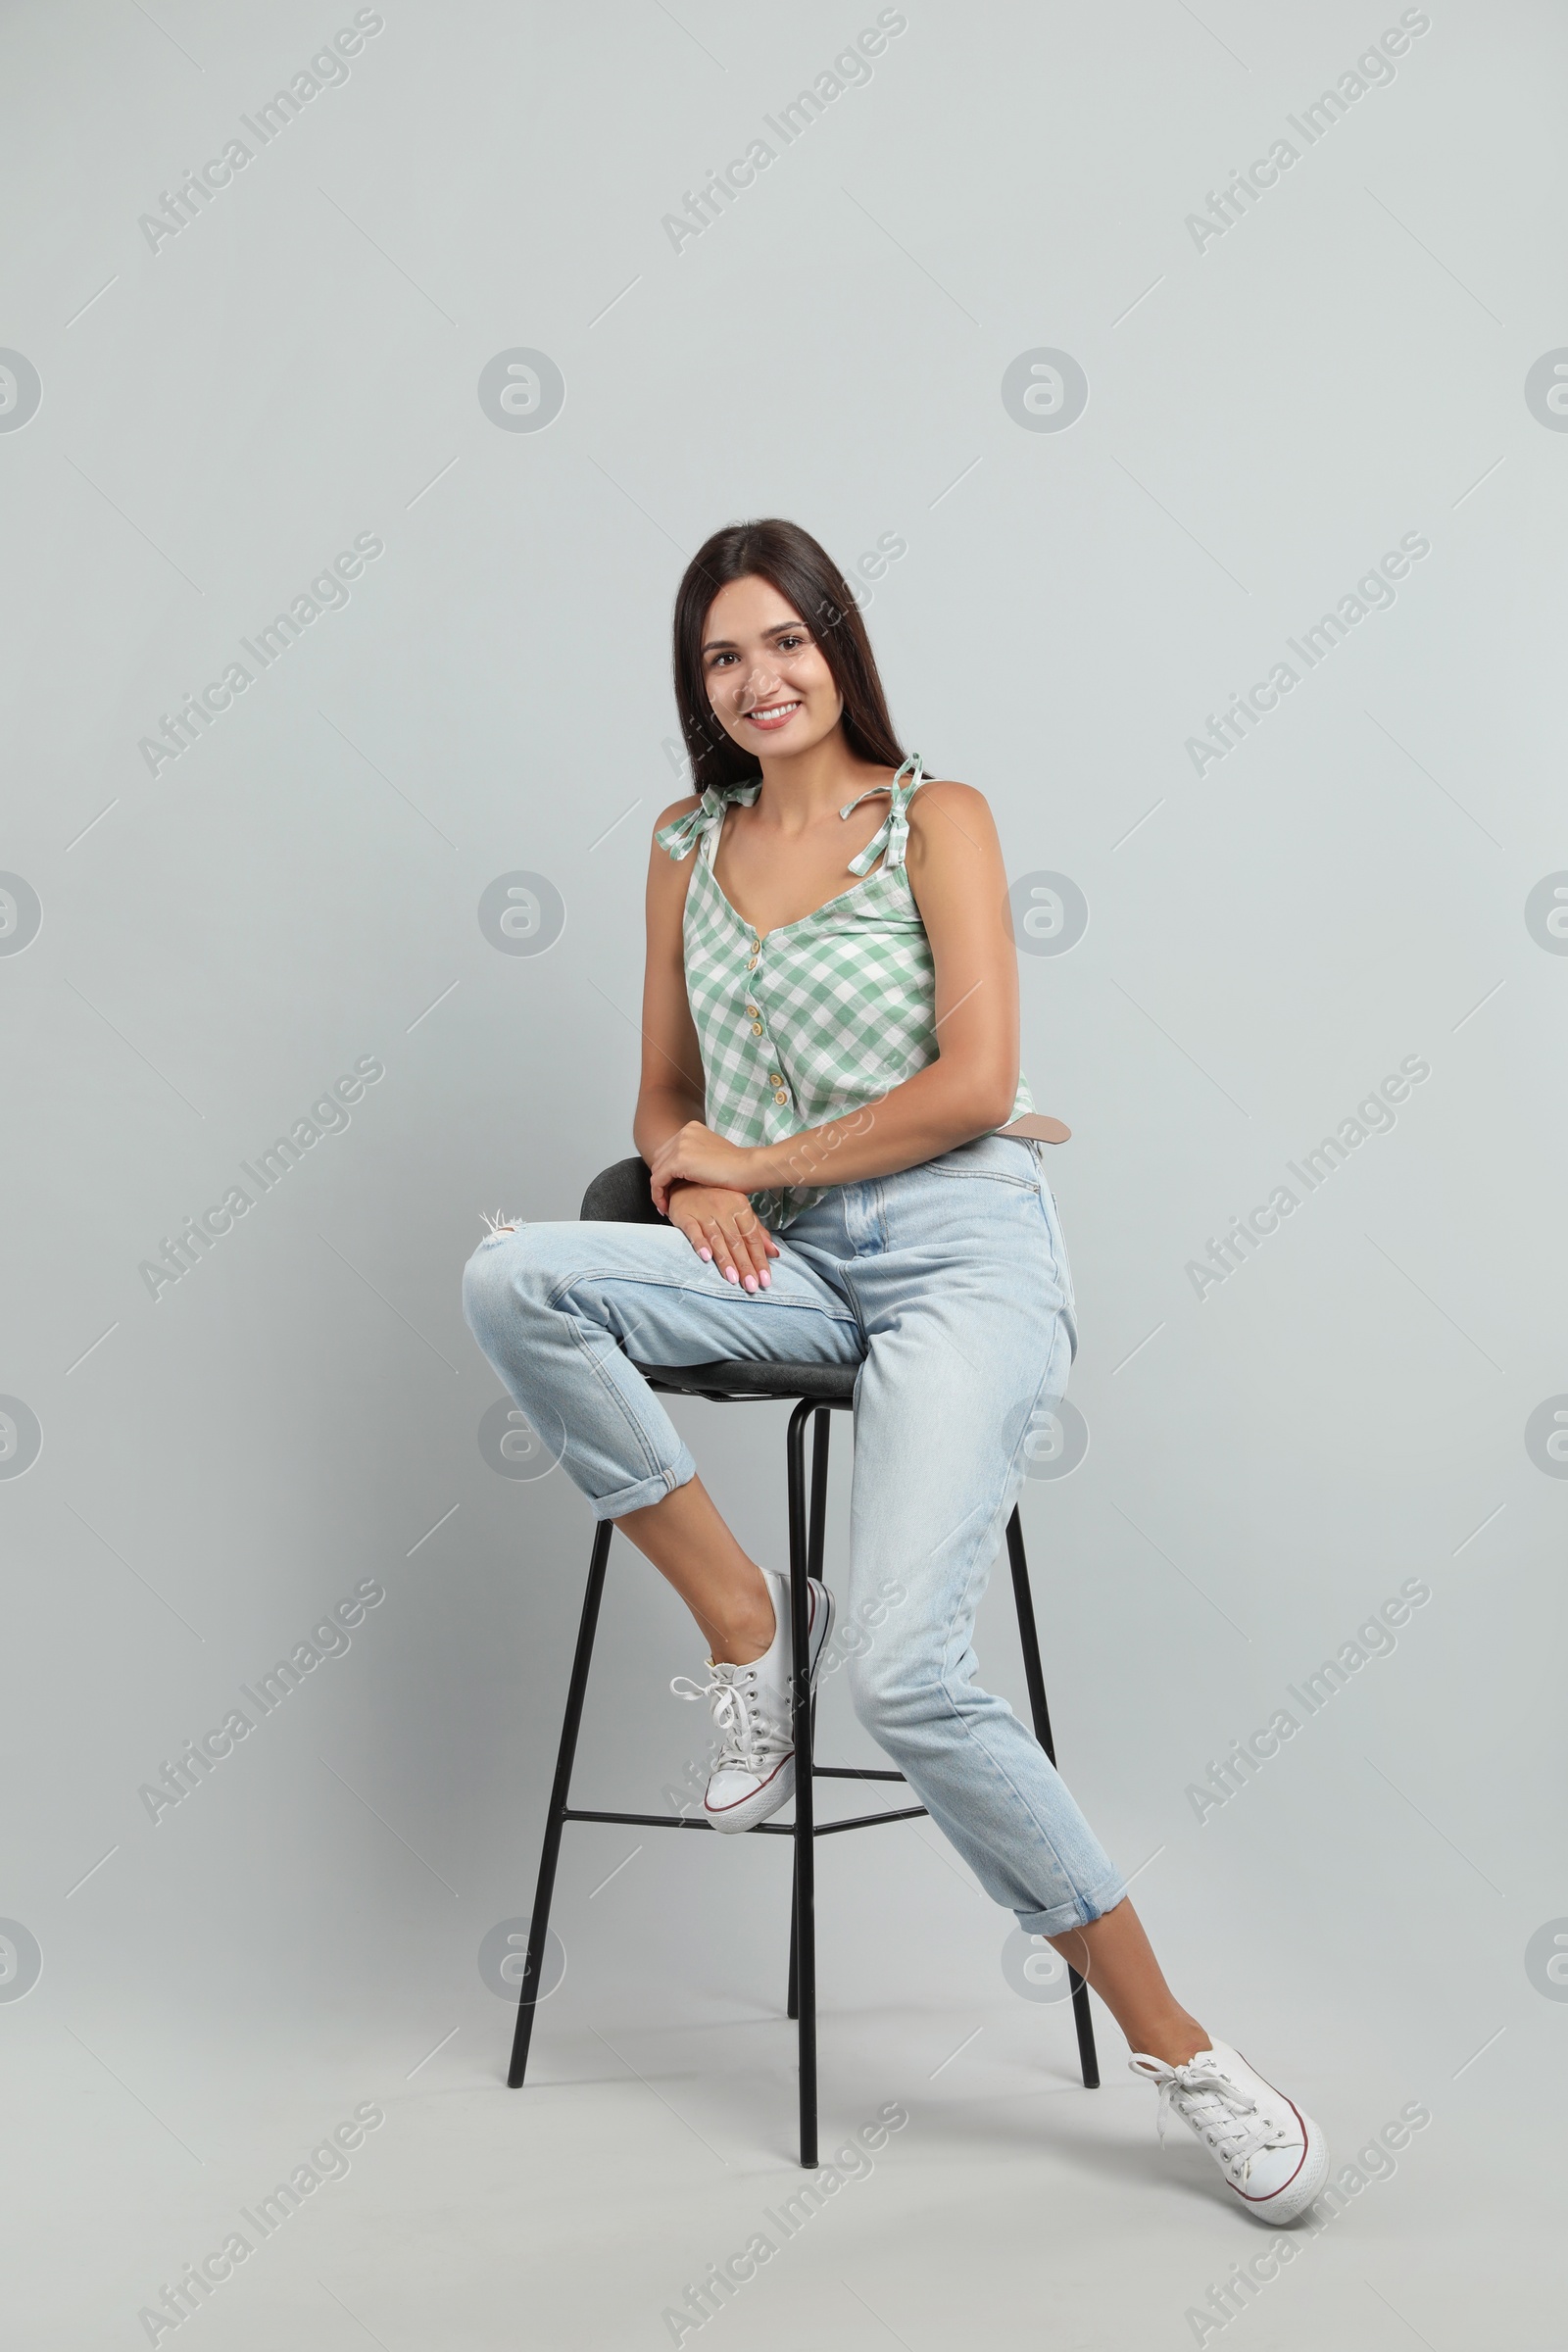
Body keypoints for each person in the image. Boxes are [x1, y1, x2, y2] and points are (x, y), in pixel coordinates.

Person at [462, 518, 1328, 2224]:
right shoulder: (680, 843)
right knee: (512, 1276)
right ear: (696, 686)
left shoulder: (939, 816)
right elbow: (657, 1096)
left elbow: (977, 1084)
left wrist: (748, 1169)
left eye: (784, 641)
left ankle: (1185, 2053)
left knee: (915, 1677)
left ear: (839, 646)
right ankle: (747, 1621)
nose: (758, 680)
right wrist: (693, 1168)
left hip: (956, 1254)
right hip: (776, 1263)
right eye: (722, 657)